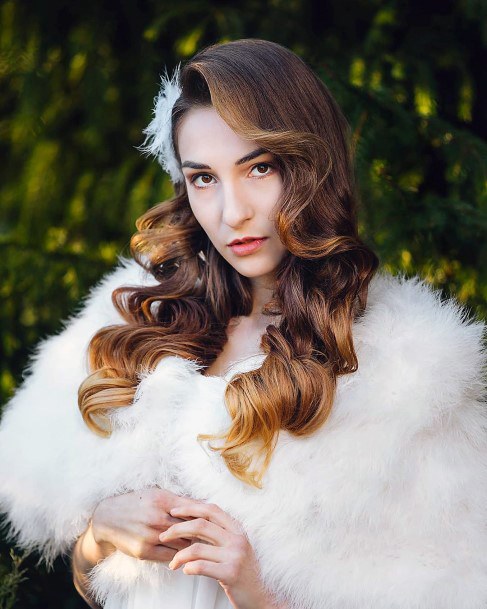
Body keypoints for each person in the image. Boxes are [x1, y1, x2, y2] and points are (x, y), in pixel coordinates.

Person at [0, 38, 486, 609]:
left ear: (311, 168)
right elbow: (102, 589)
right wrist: (98, 536)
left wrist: (255, 592)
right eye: (204, 178)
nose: (233, 212)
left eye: (259, 168)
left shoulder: (404, 373)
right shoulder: (144, 325)